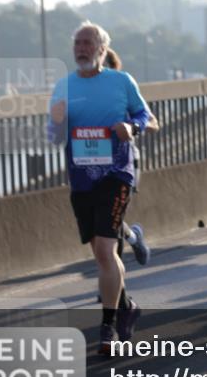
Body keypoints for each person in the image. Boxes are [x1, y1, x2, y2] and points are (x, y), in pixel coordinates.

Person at [49, 22, 153, 355]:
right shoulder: (63, 87)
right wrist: (58, 122)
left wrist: (131, 127)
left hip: (117, 174)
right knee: (101, 252)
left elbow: (147, 117)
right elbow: (53, 138)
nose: (81, 48)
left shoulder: (121, 81)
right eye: (77, 42)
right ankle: (127, 301)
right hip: (81, 180)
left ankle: (107, 328)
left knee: (106, 252)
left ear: (102, 50)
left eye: (87, 42)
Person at [103, 48, 156, 264]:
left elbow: (153, 122)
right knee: (107, 221)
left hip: (124, 163)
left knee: (112, 221)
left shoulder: (124, 90)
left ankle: (115, 287)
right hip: (94, 165)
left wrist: (132, 126)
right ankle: (134, 238)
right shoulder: (84, 94)